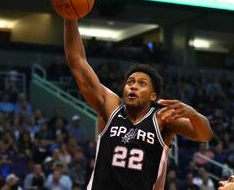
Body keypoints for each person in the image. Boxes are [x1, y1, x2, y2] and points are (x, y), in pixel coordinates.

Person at [64, 19, 213, 190]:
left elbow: (205, 135)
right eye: (130, 82)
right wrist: (70, 17)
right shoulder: (110, 107)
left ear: (153, 95)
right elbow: (77, 61)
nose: (133, 86)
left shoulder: (163, 119)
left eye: (142, 83)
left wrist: (193, 115)